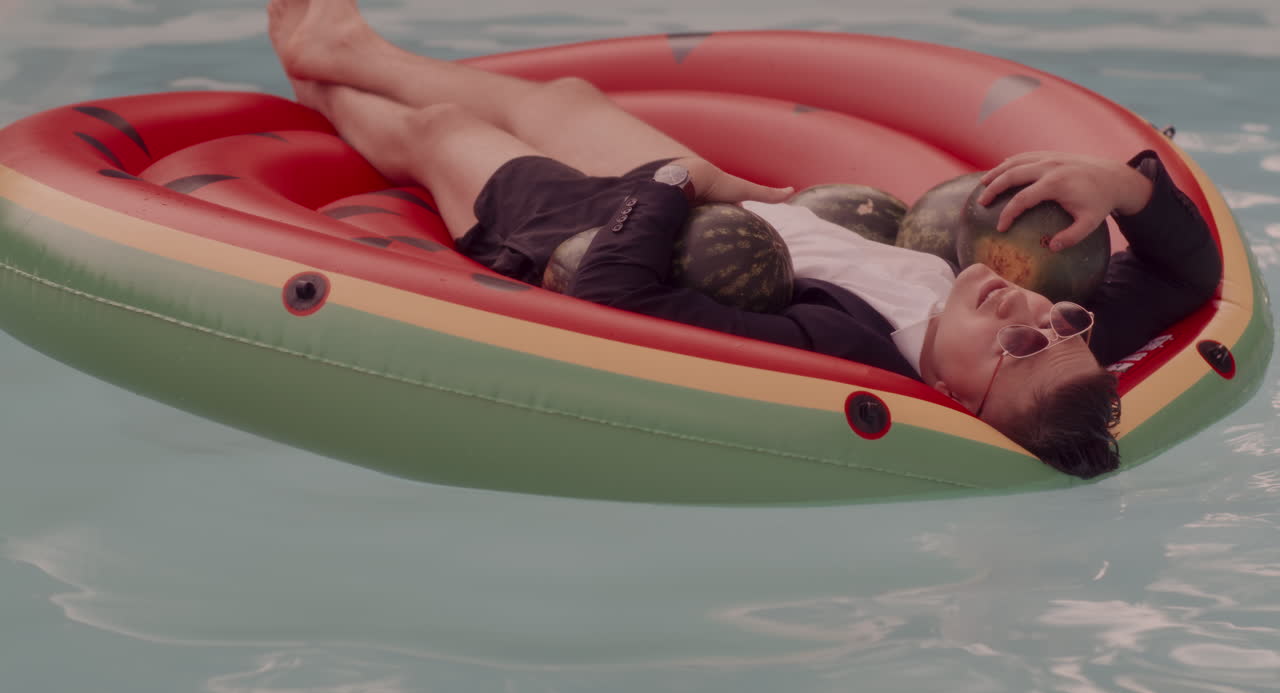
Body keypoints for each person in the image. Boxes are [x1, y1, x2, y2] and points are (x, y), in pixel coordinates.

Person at [266, 0, 1221, 478]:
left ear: (955, 396)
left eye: (1019, 346)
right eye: (1063, 322)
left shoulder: (837, 351)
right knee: (567, 100)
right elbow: (1190, 278)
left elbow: (614, 305)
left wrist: (677, 184)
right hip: (752, 203)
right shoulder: (1006, 295)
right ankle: (353, 54)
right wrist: (1124, 187)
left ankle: (326, 95)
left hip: (610, 227)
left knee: (437, 138)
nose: (1035, 312)